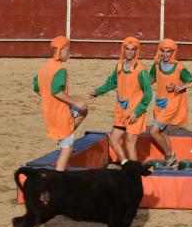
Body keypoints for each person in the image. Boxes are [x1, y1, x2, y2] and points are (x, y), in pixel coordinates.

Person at [90, 37, 152, 163]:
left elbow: (148, 94)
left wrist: (137, 111)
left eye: (132, 49)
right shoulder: (119, 65)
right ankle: (125, 164)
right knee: (113, 139)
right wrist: (98, 91)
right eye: (127, 49)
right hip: (121, 111)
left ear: (136, 51)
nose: (129, 52)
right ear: (123, 50)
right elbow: (112, 82)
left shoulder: (141, 70)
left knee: (130, 144)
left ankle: (135, 175)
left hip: (134, 112)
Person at [33, 37, 88, 171]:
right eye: (68, 50)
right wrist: (75, 101)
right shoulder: (59, 69)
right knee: (67, 148)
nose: (69, 53)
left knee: (84, 110)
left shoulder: (44, 67)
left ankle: (65, 137)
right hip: (60, 113)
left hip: (50, 111)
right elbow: (57, 92)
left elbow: (36, 87)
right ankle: (59, 178)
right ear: (60, 50)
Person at [148, 39, 192, 167]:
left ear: (173, 52)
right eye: (163, 51)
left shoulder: (179, 67)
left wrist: (178, 86)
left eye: (168, 52)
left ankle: (169, 155)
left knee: (153, 131)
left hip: (172, 103)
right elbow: (151, 79)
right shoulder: (157, 64)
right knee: (162, 131)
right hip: (159, 102)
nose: (165, 54)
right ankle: (172, 160)